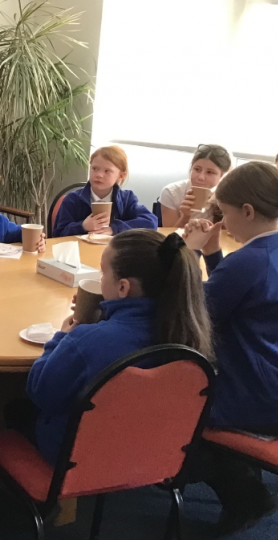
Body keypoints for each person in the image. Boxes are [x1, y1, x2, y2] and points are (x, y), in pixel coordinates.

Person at [21, 229, 212, 466]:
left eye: (103, 272)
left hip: (80, 457)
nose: (100, 279)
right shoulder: (188, 330)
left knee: (14, 410)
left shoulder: (86, 341)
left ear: (123, 287)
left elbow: (41, 391)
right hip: (152, 453)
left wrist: (60, 337)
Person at [183, 161, 278, 533]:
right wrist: (212, 254)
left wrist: (189, 251)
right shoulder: (263, 256)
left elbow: (191, 313)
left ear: (249, 212)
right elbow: (239, 302)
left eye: (225, 213)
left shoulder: (248, 262)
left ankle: (245, 494)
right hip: (270, 381)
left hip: (250, 395)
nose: (223, 222)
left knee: (168, 403)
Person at [52, 146, 157, 238]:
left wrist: (114, 228)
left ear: (121, 176)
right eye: (95, 169)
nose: (99, 175)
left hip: (115, 254)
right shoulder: (73, 199)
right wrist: (82, 226)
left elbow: (151, 222)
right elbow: (58, 234)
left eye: (107, 171)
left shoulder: (127, 198)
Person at [159, 144, 232, 228]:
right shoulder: (172, 192)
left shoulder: (228, 195)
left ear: (222, 175)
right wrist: (185, 217)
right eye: (197, 169)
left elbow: (230, 236)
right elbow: (169, 237)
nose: (201, 177)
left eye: (210, 172)